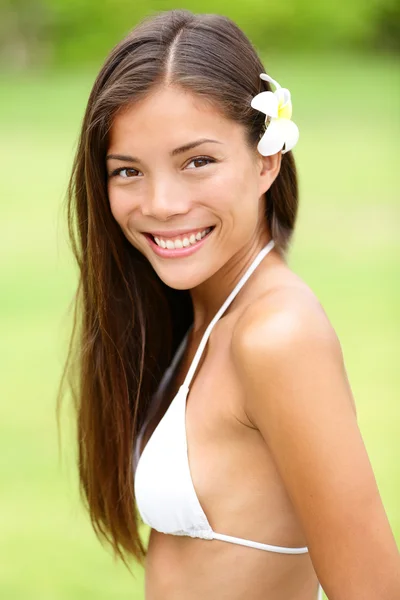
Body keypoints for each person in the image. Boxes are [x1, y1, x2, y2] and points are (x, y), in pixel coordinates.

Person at [58, 8, 400, 600]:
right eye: (128, 171)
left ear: (267, 158)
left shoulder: (276, 336)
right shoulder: (204, 313)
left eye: (198, 161)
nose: (161, 203)